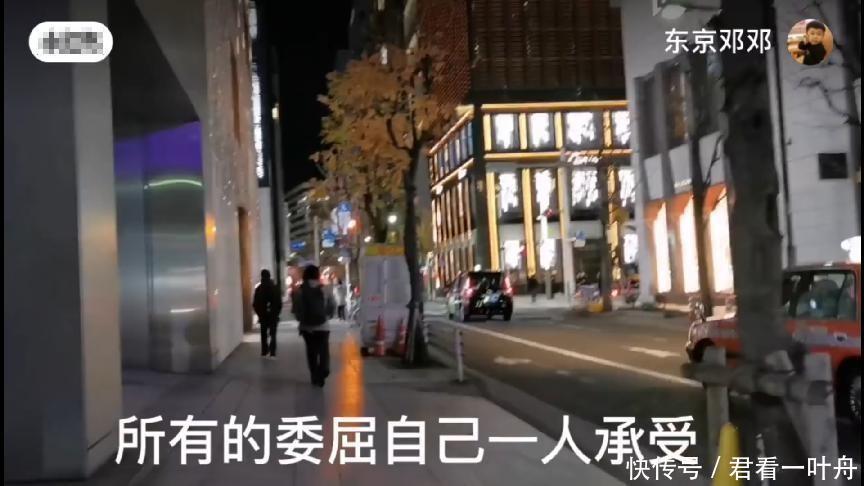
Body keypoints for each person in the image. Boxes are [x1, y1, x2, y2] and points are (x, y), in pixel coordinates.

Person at [292, 265, 335, 387]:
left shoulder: (299, 291)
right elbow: (332, 305)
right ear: (317, 275)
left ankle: (314, 375)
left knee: (311, 352)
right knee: (323, 350)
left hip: (306, 328)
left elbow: (296, 310)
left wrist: (302, 319)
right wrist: (327, 316)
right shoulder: (325, 289)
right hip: (323, 327)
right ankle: (323, 370)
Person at [253, 269, 282, 358]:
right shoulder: (275, 288)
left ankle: (264, 351)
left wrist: (259, 314)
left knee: (263, 334)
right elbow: (279, 303)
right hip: (273, 315)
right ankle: (272, 352)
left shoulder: (259, 289)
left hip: (263, 315)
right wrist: (276, 313)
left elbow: (255, 304)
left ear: (262, 276)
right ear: (269, 276)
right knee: (273, 334)